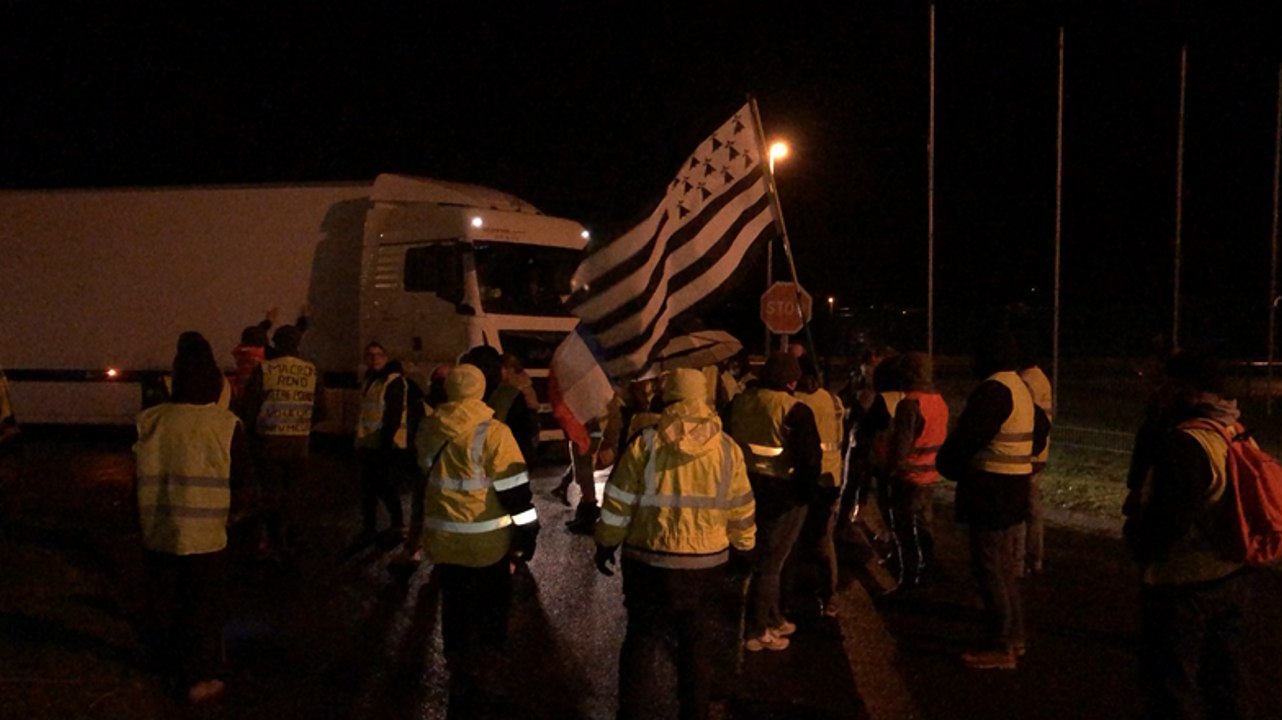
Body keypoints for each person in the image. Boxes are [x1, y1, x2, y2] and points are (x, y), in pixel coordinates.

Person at [593, 368, 755, 720]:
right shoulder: (727, 449)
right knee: (696, 644)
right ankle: (694, 712)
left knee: (642, 638)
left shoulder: (645, 443)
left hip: (648, 561)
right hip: (706, 565)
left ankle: (632, 711)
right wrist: (745, 548)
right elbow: (741, 507)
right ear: (705, 399)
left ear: (668, 399)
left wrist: (606, 543)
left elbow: (618, 502)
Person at [1123, 350, 1253, 720]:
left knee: (1171, 686)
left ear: (1186, 390)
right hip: (1232, 573)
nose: (1157, 390)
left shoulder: (1185, 443)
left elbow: (1168, 522)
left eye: (1164, 383)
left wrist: (1136, 538)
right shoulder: (1234, 429)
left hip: (1184, 585)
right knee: (1226, 679)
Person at [404, 364, 539, 718]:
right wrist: (527, 536)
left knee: (455, 609)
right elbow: (516, 494)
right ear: (481, 390)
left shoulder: (429, 427)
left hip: (445, 542)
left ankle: (460, 672)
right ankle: (486, 675)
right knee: (492, 611)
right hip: (488, 545)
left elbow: (423, 473)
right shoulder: (494, 432)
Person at [133, 333, 251, 703]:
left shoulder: (149, 421)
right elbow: (246, 487)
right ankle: (199, 678)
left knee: (166, 603)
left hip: (160, 532)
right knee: (202, 609)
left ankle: (164, 664)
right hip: (207, 537)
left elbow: (136, 479)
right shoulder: (227, 425)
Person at [937, 330, 1047, 670]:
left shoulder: (994, 390)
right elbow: (1042, 427)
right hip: (1013, 488)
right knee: (1003, 568)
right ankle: (1014, 637)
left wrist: (949, 464)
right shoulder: (1020, 387)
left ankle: (1002, 646)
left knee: (990, 568)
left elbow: (968, 437)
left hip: (990, 491)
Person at [726, 351, 822, 651]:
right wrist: (804, 497)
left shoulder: (740, 401)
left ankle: (773, 617)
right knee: (771, 564)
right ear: (792, 380)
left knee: (754, 557)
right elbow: (810, 462)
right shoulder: (795, 410)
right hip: (783, 495)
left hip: (743, 490)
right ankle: (757, 630)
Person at [240, 325, 320, 559]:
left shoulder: (266, 370)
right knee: (292, 492)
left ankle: (276, 540)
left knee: (272, 493)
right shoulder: (311, 371)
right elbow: (320, 409)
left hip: (268, 443)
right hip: (299, 444)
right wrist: (301, 425)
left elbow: (250, 407)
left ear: (275, 343)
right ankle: (292, 533)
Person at [885, 351, 949, 589]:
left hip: (908, 477)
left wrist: (890, 466)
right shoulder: (938, 401)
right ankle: (928, 573)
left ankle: (908, 581)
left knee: (905, 532)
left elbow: (900, 448)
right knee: (924, 529)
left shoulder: (910, 404)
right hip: (929, 476)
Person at [793, 355, 847, 616]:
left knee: (802, 537)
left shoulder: (799, 402)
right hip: (832, 478)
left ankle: (802, 591)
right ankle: (830, 594)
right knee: (824, 539)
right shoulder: (834, 400)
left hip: (808, 478)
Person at [354, 342, 407, 543]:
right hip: (367, 443)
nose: (374, 359)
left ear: (385, 358)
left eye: (378, 355)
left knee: (386, 487)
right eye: (370, 355)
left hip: (384, 446)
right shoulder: (370, 379)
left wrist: (385, 444)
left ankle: (397, 524)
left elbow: (392, 415)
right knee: (368, 490)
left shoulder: (392, 381)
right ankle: (370, 527)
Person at [1017, 355, 1053, 575]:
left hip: (1027, 454)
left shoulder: (1025, 381)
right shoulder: (1041, 378)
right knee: (1032, 509)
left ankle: (1021, 561)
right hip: (1040, 453)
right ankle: (1035, 558)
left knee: (1022, 510)